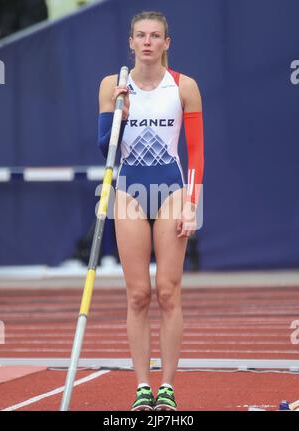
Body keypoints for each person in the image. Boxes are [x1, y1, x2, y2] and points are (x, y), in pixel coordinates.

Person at [98, 11, 204, 411]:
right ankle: (143, 387)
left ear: (166, 43)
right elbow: (102, 148)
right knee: (138, 295)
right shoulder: (113, 86)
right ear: (130, 42)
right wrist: (118, 118)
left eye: (155, 36)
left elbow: (196, 152)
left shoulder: (184, 87)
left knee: (168, 293)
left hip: (172, 191)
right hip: (129, 192)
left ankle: (168, 388)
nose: (147, 42)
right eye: (140, 35)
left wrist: (192, 205)